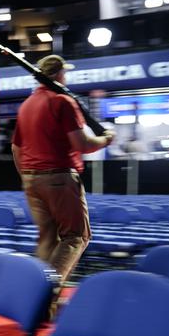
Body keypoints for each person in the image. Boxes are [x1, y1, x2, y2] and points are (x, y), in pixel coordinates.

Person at [11, 55, 114, 292]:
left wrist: (26, 176)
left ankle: (35, 297)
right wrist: (106, 139)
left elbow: (16, 148)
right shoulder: (63, 102)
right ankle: (46, 293)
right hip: (59, 177)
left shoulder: (27, 105)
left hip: (31, 179)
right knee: (76, 237)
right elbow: (83, 144)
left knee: (47, 238)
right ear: (60, 75)